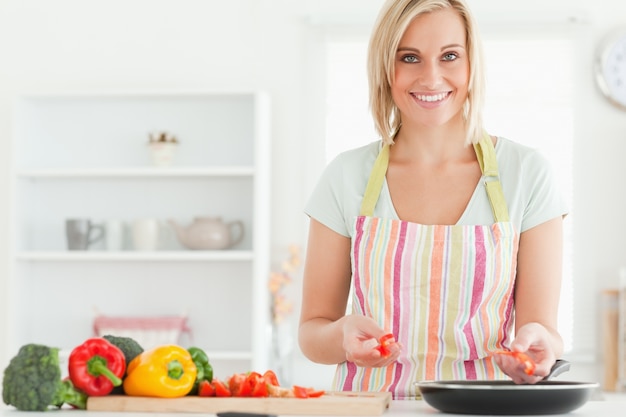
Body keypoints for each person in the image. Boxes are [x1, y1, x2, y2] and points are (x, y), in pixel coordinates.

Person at [298, 0, 567, 400]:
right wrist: (340, 336)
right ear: (385, 68)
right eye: (410, 57)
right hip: (371, 408)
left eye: (450, 56)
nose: (431, 77)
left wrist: (538, 343)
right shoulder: (345, 175)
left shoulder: (527, 173)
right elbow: (312, 332)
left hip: (481, 409)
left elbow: (544, 329)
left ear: (471, 65)